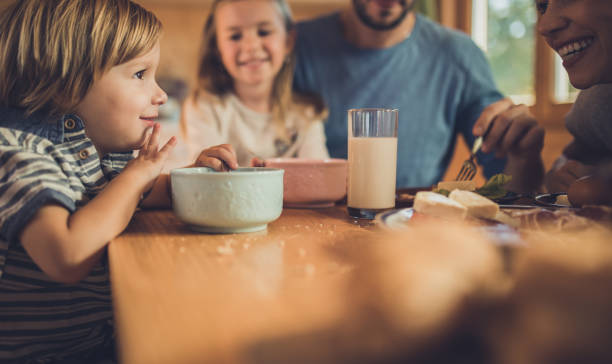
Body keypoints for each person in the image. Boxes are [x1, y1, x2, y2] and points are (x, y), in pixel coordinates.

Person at [0, 0, 236, 362]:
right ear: (66, 82)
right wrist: (137, 174)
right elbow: (67, 255)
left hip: (97, 341)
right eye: (140, 74)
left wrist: (195, 175)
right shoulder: (19, 152)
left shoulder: (97, 147)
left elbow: (134, 194)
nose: (160, 94)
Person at [294, 0, 545, 192]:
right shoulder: (291, 46)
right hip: (306, 224)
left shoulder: (457, 55)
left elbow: (509, 182)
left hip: (411, 231)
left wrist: (522, 156)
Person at [178, 0, 329, 169]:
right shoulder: (204, 107)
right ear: (217, 48)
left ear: (288, 41)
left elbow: (318, 177)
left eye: (264, 32)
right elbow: (203, 178)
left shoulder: (306, 114)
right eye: (235, 36)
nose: (251, 46)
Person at [536, 0, 612, 194]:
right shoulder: (598, 101)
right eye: (542, 7)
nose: (544, 26)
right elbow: (567, 161)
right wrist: (559, 177)